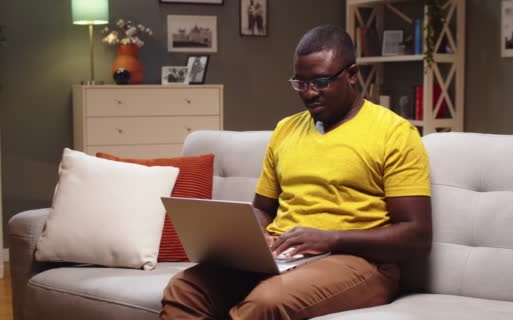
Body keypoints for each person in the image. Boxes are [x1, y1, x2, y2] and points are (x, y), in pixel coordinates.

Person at [160, 24, 432, 320]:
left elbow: (416, 236)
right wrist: (252, 235)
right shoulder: (286, 130)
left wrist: (331, 239)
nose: (309, 93)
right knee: (184, 289)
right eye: (300, 83)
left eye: (321, 81)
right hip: (285, 257)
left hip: (360, 262)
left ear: (352, 75)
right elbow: (263, 209)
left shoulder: (394, 132)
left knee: (265, 303)